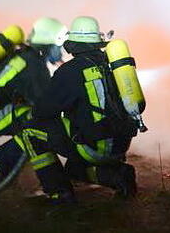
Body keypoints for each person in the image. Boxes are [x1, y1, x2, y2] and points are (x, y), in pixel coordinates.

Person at [19, 16, 139, 203]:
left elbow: (43, 111)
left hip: (95, 147)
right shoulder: (111, 65)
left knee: (30, 130)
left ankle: (59, 193)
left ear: (73, 45)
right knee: (72, 171)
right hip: (120, 144)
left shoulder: (70, 71)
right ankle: (118, 176)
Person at [0, 17, 68, 181]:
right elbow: (45, 104)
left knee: (33, 122)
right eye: (58, 47)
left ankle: (11, 169)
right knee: (36, 124)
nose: (60, 53)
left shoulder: (25, 56)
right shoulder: (34, 67)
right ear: (48, 44)